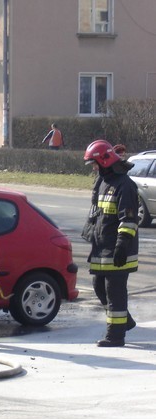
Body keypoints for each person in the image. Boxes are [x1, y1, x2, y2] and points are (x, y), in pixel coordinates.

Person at [84, 140, 139, 347]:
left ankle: (115, 336)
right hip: (102, 247)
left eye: (95, 164)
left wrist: (121, 246)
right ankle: (125, 322)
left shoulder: (125, 185)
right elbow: (97, 215)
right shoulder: (103, 181)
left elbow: (128, 220)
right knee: (99, 286)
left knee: (114, 291)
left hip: (118, 249)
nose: (94, 168)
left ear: (105, 161)